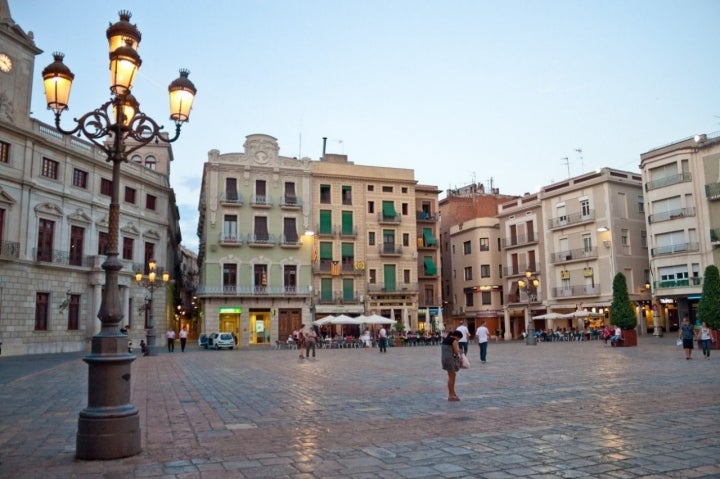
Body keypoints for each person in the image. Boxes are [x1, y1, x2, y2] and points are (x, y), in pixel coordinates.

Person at [441, 331, 463, 401]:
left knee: (451, 376)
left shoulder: (445, 339)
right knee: (452, 377)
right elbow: (456, 352)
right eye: (459, 338)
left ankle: (453, 393)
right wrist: (460, 351)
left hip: (444, 359)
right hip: (450, 359)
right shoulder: (454, 340)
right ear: (457, 336)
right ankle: (451, 395)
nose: (458, 340)